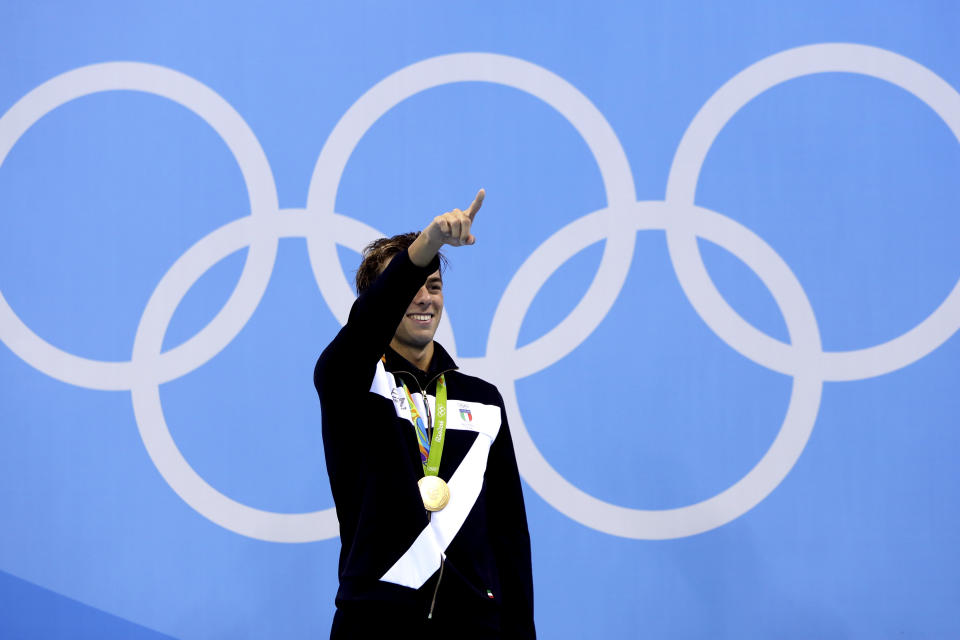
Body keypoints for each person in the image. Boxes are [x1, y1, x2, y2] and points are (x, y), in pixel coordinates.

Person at [314, 189, 535, 639]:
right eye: (410, 288)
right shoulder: (351, 383)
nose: (424, 299)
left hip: (475, 625)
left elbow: (509, 536)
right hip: (375, 622)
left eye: (434, 287)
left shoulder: (483, 400)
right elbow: (366, 325)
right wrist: (428, 243)